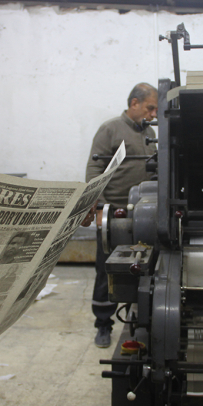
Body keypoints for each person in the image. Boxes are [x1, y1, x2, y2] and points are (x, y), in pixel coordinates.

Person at [84, 82, 158, 348]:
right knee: (107, 271)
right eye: (150, 108)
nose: (152, 114)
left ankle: (136, 319)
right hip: (114, 215)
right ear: (134, 103)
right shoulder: (111, 129)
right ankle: (103, 324)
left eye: (155, 110)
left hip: (144, 217)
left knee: (142, 268)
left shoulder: (151, 133)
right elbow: (95, 168)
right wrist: (100, 207)